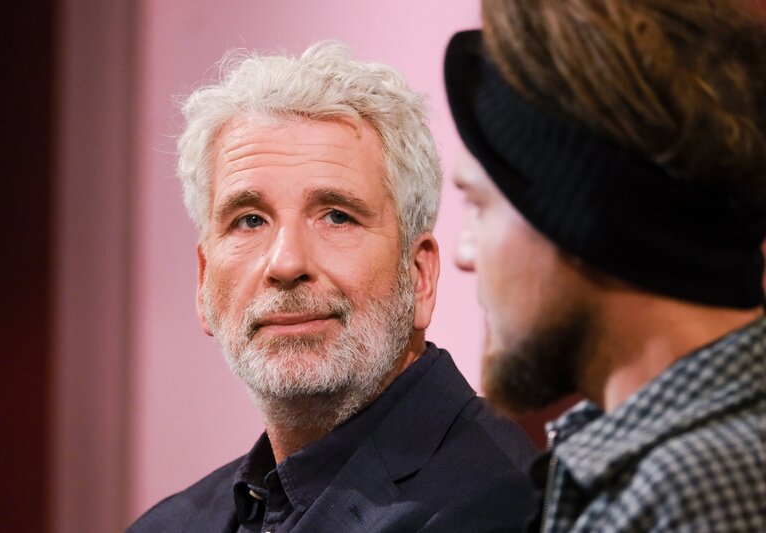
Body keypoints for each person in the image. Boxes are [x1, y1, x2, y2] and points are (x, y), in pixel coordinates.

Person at [128, 41, 537, 532]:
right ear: (203, 282)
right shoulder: (167, 525)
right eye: (250, 220)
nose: (286, 263)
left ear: (420, 275)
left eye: (337, 216)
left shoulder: (509, 508)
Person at [445, 0, 766, 531]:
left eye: (480, 206)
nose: (464, 253)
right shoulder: (645, 460)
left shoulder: (689, 499)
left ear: (575, 215)